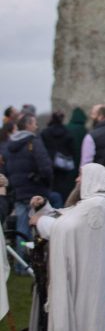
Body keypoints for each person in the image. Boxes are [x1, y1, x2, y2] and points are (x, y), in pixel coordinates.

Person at [29, 163, 105, 331]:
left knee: (78, 327)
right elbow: (68, 216)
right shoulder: (94, 204)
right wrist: (45, 208)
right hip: (85, 281)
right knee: (83, 329)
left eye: (81, 176)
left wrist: (41, 221)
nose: (77, 180)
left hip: (84, 284)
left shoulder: (97, 205)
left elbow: (65, 228)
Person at [1, 113, 52, 271]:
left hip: (18, 189)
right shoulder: (33, 142)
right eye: (35, 123)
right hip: (35, 190)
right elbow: (45, 166)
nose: (37, 126)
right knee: (36, 228)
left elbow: (6, 167)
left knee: (21, 228)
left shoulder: (10, 145)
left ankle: (19, 264)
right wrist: (46, 182)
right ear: (28, 125)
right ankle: (30, 263)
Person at [41, 110, 78, 203]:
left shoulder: (45, 133)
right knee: (63, 191)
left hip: (49, 165)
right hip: (64, 167)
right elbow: (73, 150)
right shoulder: (68, 133)